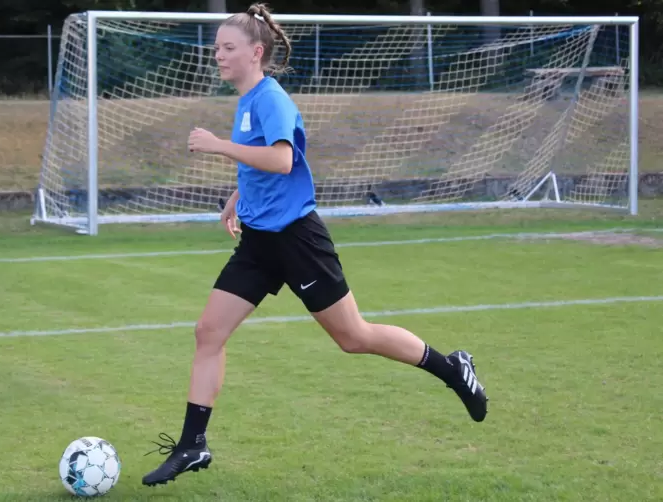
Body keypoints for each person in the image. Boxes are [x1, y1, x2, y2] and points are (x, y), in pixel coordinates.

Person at [142, 3, 488, 487]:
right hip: (260, 243)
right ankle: (192, 445)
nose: (217, 55)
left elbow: (283, 160)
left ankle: (452, 368)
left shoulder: (270, 98)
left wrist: (219, 145)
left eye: (227, 47)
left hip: (298, 241)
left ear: (255, 52)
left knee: (354, 338)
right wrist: (238, 196)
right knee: (208, 332)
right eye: (217, 47)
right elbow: (265, 161)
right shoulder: (247, 100)